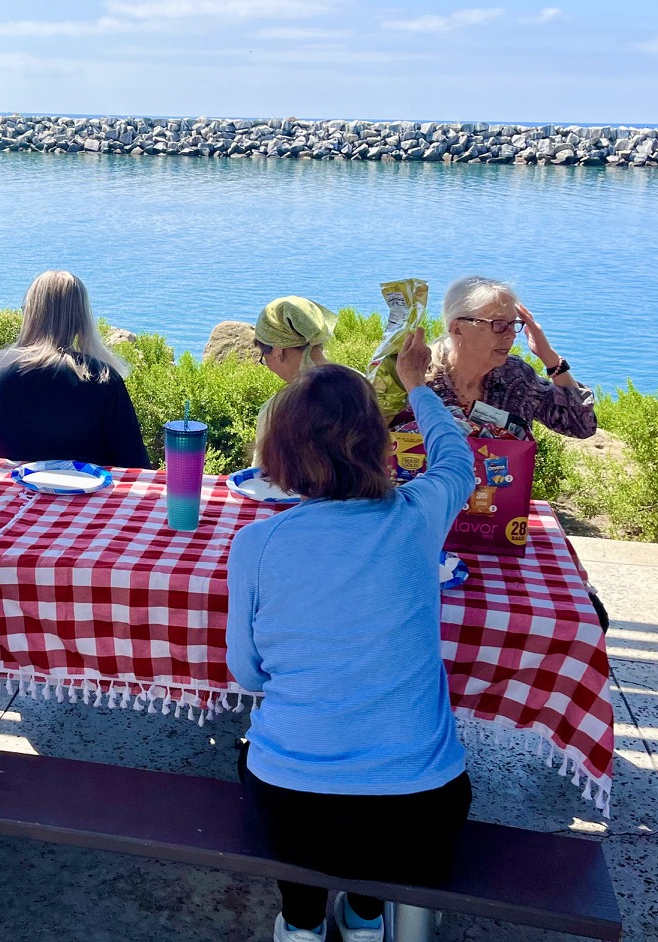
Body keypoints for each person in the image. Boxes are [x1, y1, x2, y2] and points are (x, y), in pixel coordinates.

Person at [228, 339, 475, 942]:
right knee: (380, 805)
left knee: (278, 772)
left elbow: (248, 675)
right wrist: (417, 385)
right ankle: (365, 916)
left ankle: (304, 923)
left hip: (295, 809)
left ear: (279, 453)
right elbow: (457, 461)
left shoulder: (256, 545)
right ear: (383, 446)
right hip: (420, 810)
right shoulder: (417, 518)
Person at [0, 270, 150, 468]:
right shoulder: (104, 377)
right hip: (80, 496)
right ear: (81, 320)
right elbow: (135, 467)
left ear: (30, 313)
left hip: (4, 495)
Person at [421, 275, 596, 438]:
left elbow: (581, 426)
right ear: (458, 329)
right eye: (499, 324)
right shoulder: (418, 376)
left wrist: (550, 359)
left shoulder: (515, 376)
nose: (511, 335)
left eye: (514, 324)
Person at [251, 296, 339, 463]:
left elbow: (262, 475)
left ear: (278, 351)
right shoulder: (361, 383)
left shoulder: (280, 408)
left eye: (264, 356)